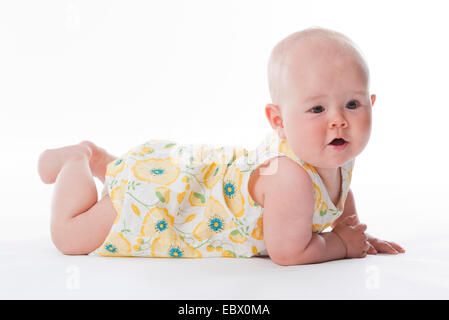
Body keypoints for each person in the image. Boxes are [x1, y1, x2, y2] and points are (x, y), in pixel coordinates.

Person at [37, 27, 405, 265]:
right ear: (278, 121)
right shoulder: (290, 177)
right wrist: (341, 244)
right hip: (162, 201)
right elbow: (289, 252)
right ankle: (77, 160)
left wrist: (354, 229)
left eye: (352, 105)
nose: (338, 120)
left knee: (146, 178)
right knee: (69, 238)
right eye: (317, 109)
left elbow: (338, 197)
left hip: (188, 180)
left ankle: (107, 162)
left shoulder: (331, 152)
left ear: (371, 103)